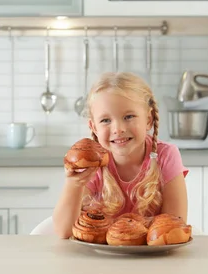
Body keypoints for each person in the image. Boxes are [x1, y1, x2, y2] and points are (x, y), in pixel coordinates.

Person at [53, 72, 188, 238]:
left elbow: (174, 226)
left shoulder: (166, 155)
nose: (118, 129)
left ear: (148, 120)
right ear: (93, 126)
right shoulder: (93, 164)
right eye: (105, 120)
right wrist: (74, 184)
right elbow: (63, 231)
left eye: (129, 116)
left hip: (153, 260)